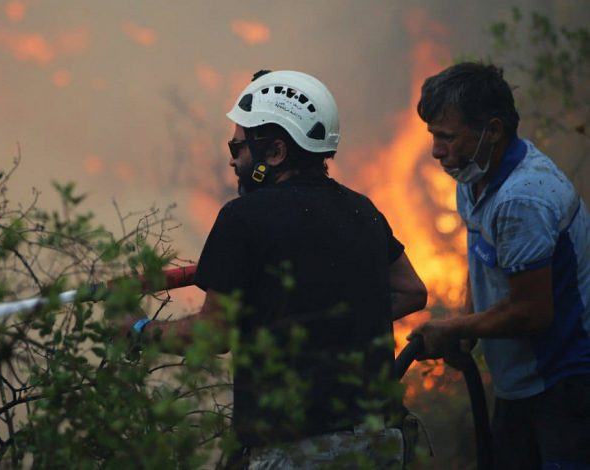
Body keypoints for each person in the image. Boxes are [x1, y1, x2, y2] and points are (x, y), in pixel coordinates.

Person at [123, 70, 427, 468]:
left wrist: (140, 331)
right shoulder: (362, 210)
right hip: (382, 443)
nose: (232, 157)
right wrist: (335, 321)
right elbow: (411, 291)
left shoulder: (243, 218)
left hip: (298, 449)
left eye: (239, 145)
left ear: (277, 152)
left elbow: (213, 334)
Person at [410, 62, 590, 468]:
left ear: (492, 130)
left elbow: (532, 312)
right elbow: (482, 256)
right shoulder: (472, 177)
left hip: (567, 380)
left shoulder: (522, 198)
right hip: (519, 384)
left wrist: (454, 328)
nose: (437, 151)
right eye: (433, 136)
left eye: (447, 137)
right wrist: (468, 321)